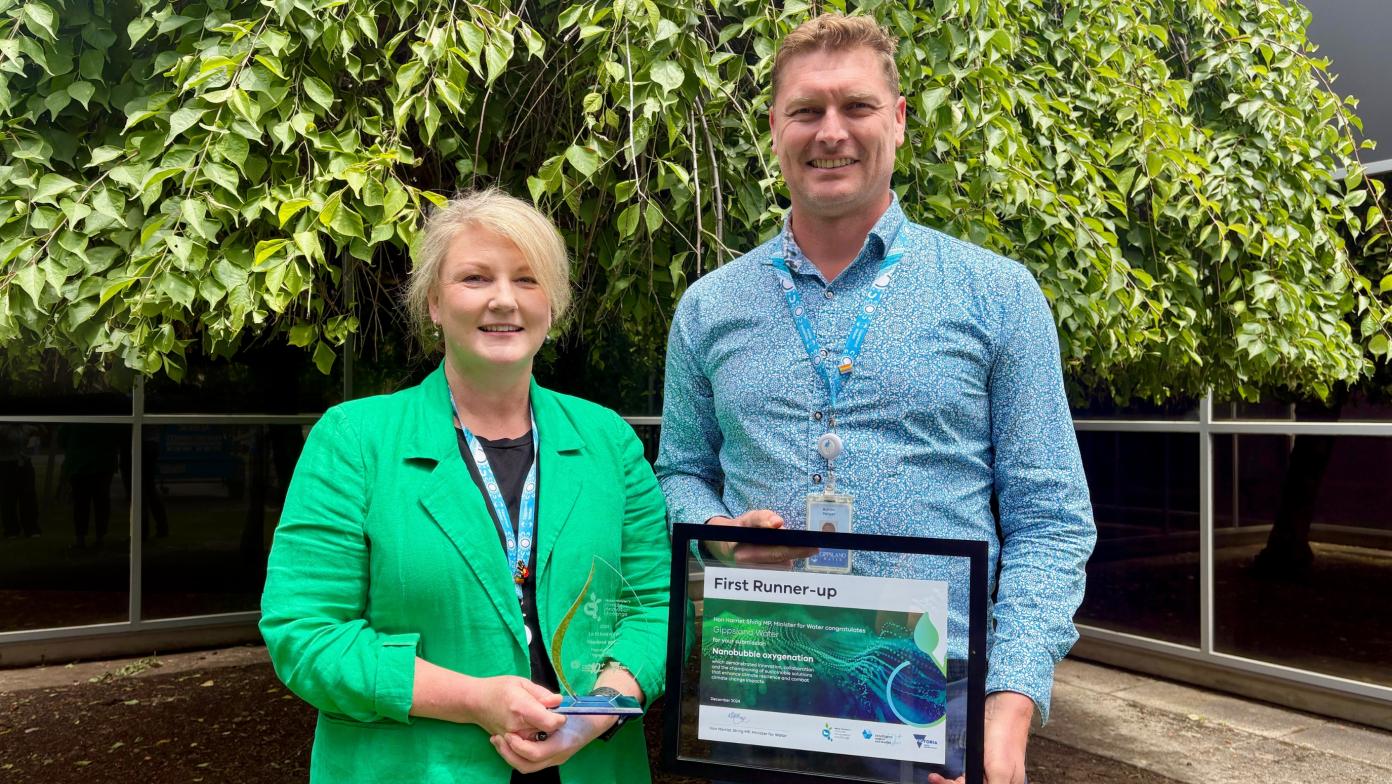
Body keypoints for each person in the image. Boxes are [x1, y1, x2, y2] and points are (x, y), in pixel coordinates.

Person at [655, 13, 1095, 784]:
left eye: (855, 107)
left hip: (940, 702)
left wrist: (1009, 710)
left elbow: (1052, 521)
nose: (831, 132)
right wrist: (718, 530)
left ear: (896, 120)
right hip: (763, 680)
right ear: (774, 129)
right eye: (806, 111)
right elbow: (677, 474)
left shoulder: (996, 295)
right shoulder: (708, 306)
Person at [261, 189, 670, 783]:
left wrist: (598, 713)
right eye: (475, 278)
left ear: (552, 305)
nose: (504, 300)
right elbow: (306, 634)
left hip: (591, 764)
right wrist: (473, 699)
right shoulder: (355, 441)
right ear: (433, 302)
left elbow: (653, 606)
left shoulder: (609, 442)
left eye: (527, 280)